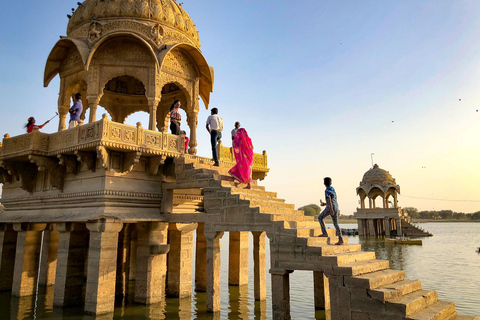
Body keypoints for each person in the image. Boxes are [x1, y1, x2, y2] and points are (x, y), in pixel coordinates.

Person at [318, 177, 344, 245]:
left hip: (330, 208)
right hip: (336, 208)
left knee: (320, 218)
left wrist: (331, 209)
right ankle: (340, 239)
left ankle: (324, 233)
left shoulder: (327, 190)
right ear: (331, 183)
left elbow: (329, 199)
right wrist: (324, 204)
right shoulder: (333, 190)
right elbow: (333, 200)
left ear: (324, 183)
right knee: (336, 224)